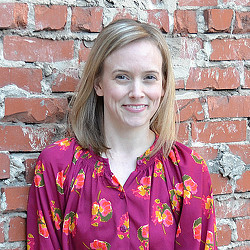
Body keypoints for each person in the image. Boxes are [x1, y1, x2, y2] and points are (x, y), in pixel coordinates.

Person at [27, 19, 217, 250]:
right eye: (122, 77)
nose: (137, 93)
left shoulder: (189, 171)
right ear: (98, 84)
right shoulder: (58, 166)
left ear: (164, 85)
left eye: (149, 77)